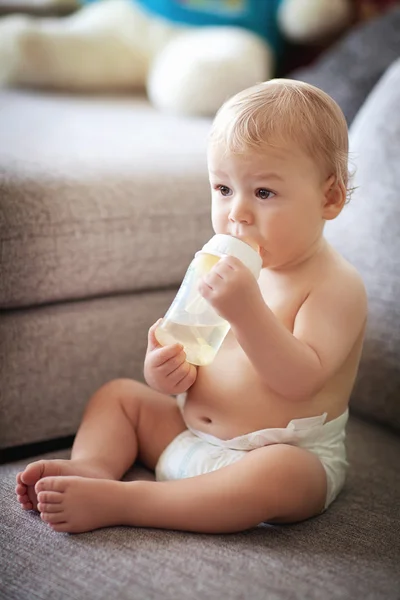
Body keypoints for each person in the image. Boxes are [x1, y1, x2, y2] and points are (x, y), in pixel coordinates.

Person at [15, 79, 367, 534]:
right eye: (223, 189)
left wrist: (246, 311)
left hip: (275, 455)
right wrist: (163, 367)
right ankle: (94, 467)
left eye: (263, 193)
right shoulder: (221, 266)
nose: (237, 212)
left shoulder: (335, 285)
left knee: (284, 474)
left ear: (329, 198)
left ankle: (129, 502)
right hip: (188, 437)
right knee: (118, 397)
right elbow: (189, 353)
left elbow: (300, 380)